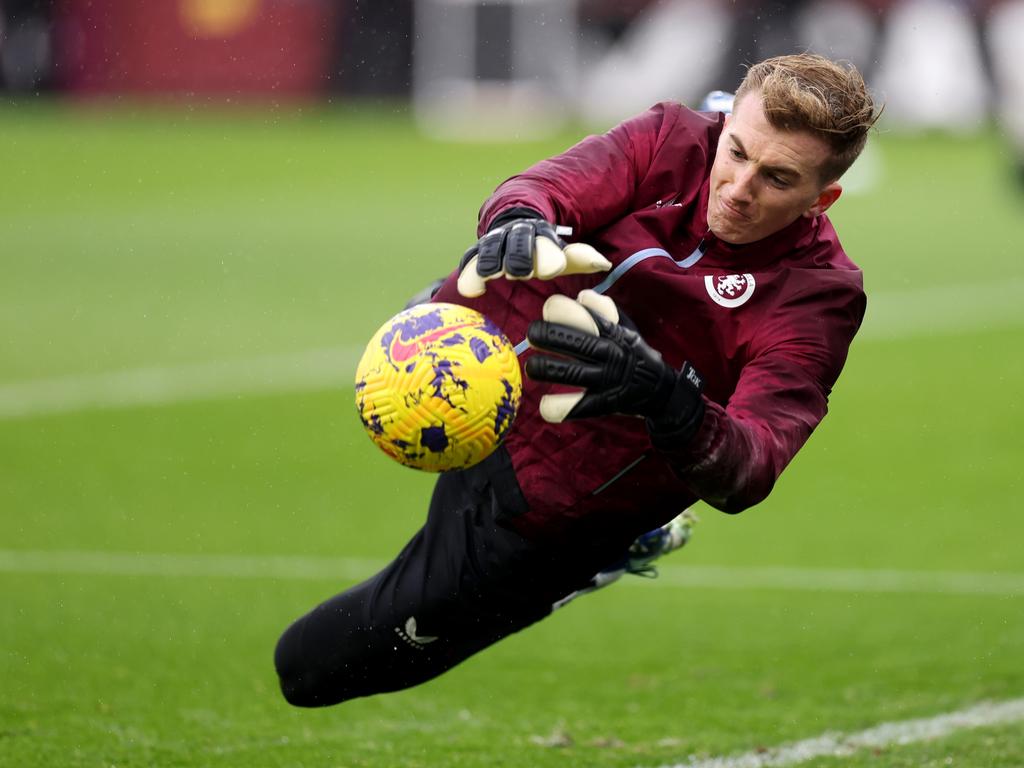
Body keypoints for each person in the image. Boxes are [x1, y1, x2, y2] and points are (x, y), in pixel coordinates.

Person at [274, 53, 880, 707]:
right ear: (725, 121)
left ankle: (616, 549)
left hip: (551, 504)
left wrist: (669, 399)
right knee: (491, 262)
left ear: (823, 199)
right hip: (471, 366)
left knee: (309, 670)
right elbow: (544, 186)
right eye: (736, 152)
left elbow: (752, 464)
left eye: (777, 178)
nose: (737, 187)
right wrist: (516, 219)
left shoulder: (817, 297)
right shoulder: (673, 139)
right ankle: (442, 302)